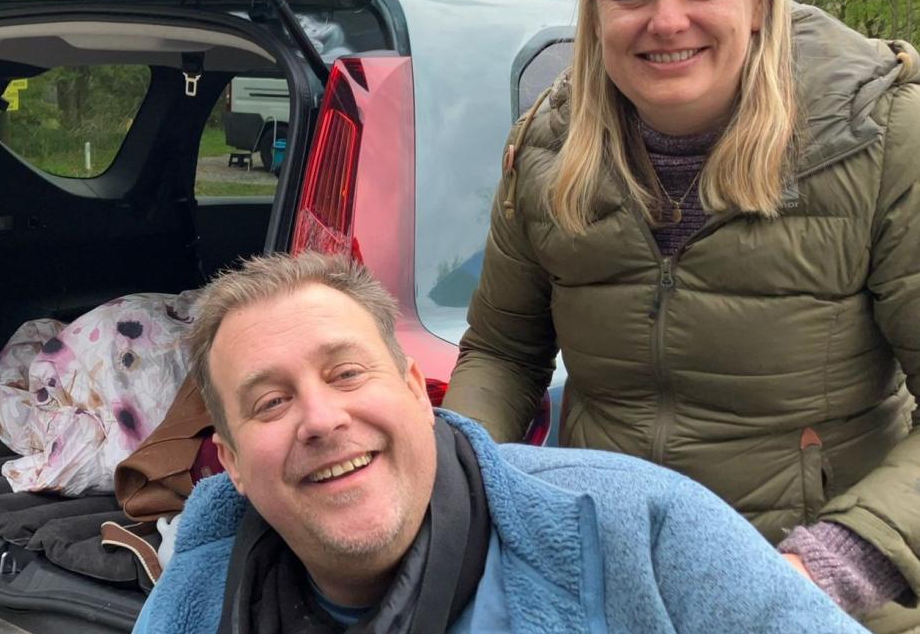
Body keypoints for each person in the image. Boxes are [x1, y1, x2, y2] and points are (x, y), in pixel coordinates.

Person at [441, 0, 920, 632]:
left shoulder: (886, 137)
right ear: (596, 10)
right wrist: (445, 486)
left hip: (819, 600)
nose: (667, 22)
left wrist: (830, 567)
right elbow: (502, 353)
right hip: (606, 586)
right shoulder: (546, 151)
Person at [133, 251, 863, 633]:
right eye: (270, 401)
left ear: (418, 390)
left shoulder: (644, 532)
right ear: (227, 462)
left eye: (347, 372)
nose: (321, 419)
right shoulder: (196, 602)